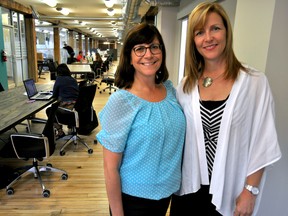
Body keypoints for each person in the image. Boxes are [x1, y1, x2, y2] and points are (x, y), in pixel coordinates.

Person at [170, 2, 282, 216]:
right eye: (199, 32)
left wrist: (251, 191)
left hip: (232, 192)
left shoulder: (253, 82)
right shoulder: (185, 86)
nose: (208, 38)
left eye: (215, 28)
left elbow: (263, 141)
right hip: (188, 192)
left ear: (227, 32)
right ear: (193, 41)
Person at [96, 23, 186, 216]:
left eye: (154, 46)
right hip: (134, 200)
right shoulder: (121, 101)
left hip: (167, 193)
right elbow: (110, 168)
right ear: (129, 56)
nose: (149, 54)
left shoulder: (170, 90)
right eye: (139, 49)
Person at [47, 63, 79, 139]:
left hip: (67, 107)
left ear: (58, 72)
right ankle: (71, 126)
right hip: (77, 106)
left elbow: (54, 94)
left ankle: (60, 131)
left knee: (49, 110)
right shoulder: (73, 80)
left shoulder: (59, 79)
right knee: (56, 106)